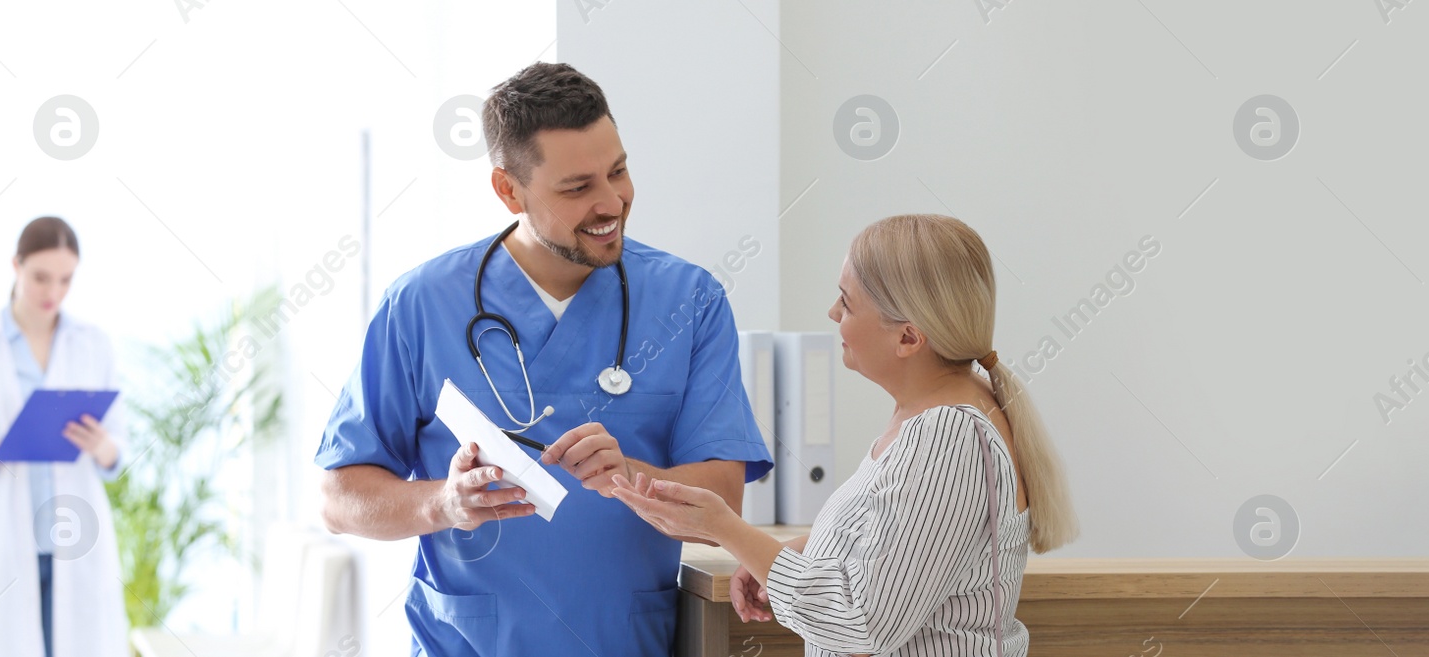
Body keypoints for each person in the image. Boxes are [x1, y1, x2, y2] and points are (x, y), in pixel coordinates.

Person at [315, 62, 773, 656]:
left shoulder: (690, 302)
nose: (612, 202)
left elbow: (722, 497)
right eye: (578, 188)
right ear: (509, 190)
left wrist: (630, 476)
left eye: (619, 171)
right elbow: (339, 498)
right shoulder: (422, 304)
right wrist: (444, 503)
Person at [612, 214, 1080, 656]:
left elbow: (863, 622)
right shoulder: (940, 414)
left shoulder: (948, 434)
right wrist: (786, 558)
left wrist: (726, 529)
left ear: (908, 339)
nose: (833, 312)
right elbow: (898, 547)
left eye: (848, 302)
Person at [0, 216, 130, 657]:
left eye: (66, 280)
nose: (53, 293)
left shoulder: (93, 342)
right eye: (41, 278)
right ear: (16, 265)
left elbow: (118, 443)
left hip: (74, 536)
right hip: (5, 536)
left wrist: (104, 448)